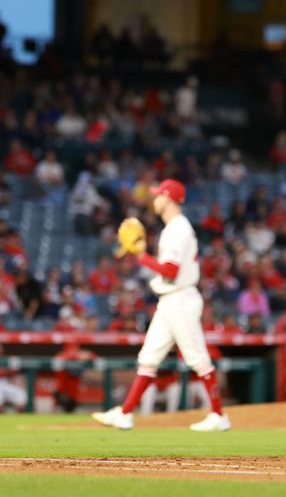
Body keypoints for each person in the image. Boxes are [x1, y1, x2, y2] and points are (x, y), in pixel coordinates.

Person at [92, 179, 230, 432]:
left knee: (197, 358)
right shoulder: (174, 228)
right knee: (149, 357)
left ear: (167, 198)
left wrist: (142, 257)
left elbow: (171, 270)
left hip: (180, 298)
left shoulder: (177, 229)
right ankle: (125, 414)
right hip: (170, 300)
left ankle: (218, 415)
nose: (154, 199)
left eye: (158, 195)